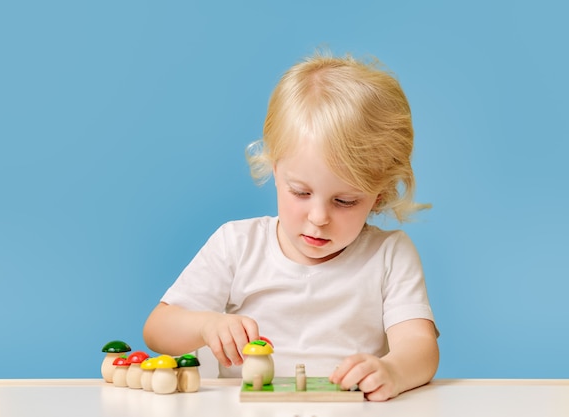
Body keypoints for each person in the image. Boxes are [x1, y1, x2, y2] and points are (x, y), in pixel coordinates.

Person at [143, 51, 439, 401]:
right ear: (274, 167)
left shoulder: (389, 255)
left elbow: (420, 348)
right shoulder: (238, 245)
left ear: (379, 195)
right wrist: (207, 325)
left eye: (345, 201)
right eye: (301, 192)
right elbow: (157, 330)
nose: (318, 217)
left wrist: (393, 370)